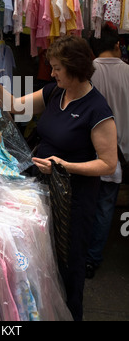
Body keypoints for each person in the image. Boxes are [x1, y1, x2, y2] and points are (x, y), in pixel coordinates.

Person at [0, 35, 118, 321]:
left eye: (57, 69)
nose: (51, 73)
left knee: (69, 267)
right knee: (46, 261)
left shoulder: (97, 110)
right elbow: (14, 105)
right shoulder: (54, 93)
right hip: (43, 192)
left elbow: (108, 164)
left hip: (74, 201)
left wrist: (64, 165)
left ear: (75, 68)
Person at [86, 25, 129, 278]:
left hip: (89, 154)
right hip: (122, 154)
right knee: (105, 207)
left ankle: (81, 255)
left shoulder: (88, 72)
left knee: (85, 205)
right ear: (117, 45)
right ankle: (92, 258)